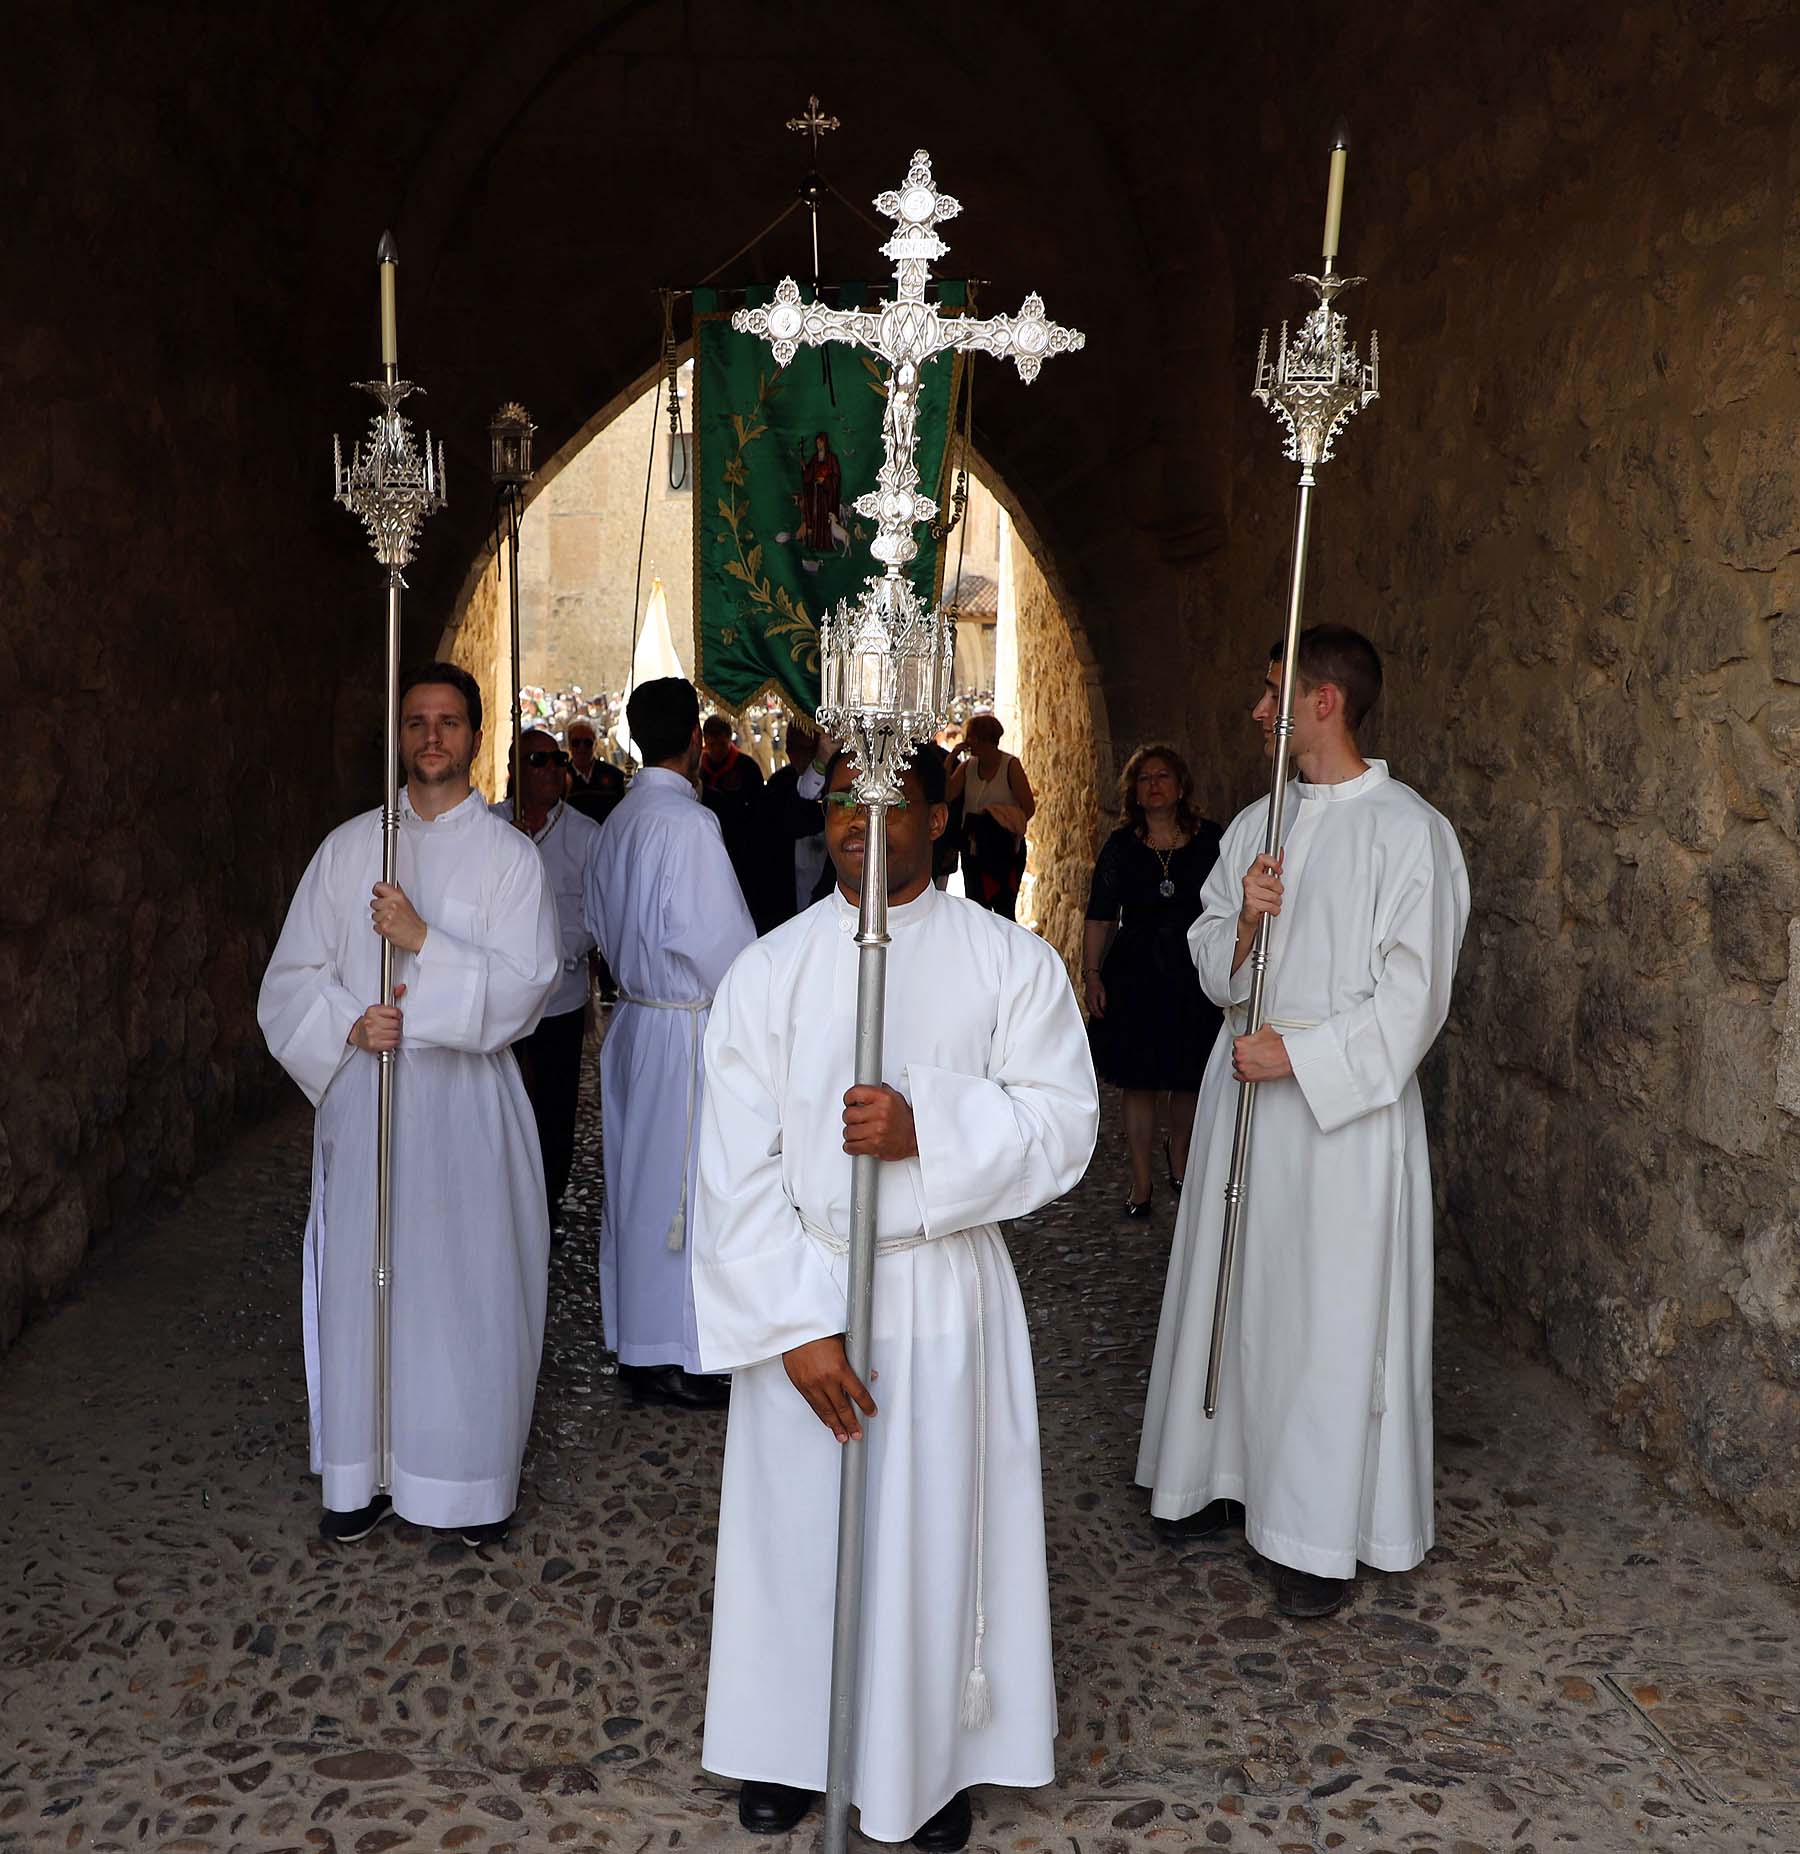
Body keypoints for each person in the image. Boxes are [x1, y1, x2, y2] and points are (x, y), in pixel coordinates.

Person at [693, 747, 1099, 1852]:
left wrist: (934, 1132)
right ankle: (786, 1745)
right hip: (807, 1287)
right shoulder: (768, 973)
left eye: (885, 804)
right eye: (839, 803)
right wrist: (794, 1323)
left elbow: (1064, 1124)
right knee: (798, 1534)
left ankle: (928, 1759)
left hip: (938, 1287)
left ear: (934, 814)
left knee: (931, 1529)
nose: (857, 824)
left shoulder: (1009, 964)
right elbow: (729, 1162)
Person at [1135, 626, 1469, 1619]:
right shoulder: (1256, 823)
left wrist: (1301, 1055)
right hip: (1246, 1088)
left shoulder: (1413, 833)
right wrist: (1243, 925)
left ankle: (1316, 1533)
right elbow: (1207, 964)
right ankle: (1214, 1473)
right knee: (1240, 1291)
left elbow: (1417, 999)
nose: (1256, 712)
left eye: (1271, 691)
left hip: (1342, 1118)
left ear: (1324, 702)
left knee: (1326, 1315)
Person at [257, 661, 559, 1547]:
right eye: (417, 721)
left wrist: (423, 941)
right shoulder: (351, 848)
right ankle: (361, 1471)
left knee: (467, 1288)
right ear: (400, 735)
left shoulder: (509, 858)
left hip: (466, 1108)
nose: (432, 737)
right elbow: (289, 981)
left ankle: (468, 1483)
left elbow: (528, 984)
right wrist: (351, 1025)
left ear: (475, 735)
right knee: (365, 1280)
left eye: (450, 722)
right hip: (368, 1101)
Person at [586, 677, 756, 1411]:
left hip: (635, 1019)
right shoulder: (687, 827)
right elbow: (722, 946)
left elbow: (594, 922)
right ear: (694, 739)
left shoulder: (619, 820)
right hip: (683, 1025)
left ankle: (636, 1338)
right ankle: (674, 1353)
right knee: (679, 1191)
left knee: (637, 1185)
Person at [1083, 745, 1225, 1216]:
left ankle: (1180, 1158)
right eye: (1144, 779)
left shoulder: (1211, 843)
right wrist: (1092, 973)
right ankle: (1141, 1181)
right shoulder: (1122, 847)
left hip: (1192, 972)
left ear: (1181, 787)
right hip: (1137, 974)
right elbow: (1101, 916)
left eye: (1163, 776)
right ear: (1135, 793)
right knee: (1140, 1081)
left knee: (1188, 1078)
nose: (1154, 784)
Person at [492, 728, 605, 1238]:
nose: (552, 768)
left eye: (558, 759)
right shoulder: (492, 828)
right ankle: (500, 1194)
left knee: (555, 1106)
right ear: (515, 767)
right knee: (500, 1098)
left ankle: (547, 1201)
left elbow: (596, 910)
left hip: (558, 996)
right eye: (539, 759)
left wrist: (560, 953)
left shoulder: (585, 835)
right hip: (498, 998)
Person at [947, 714, 1034, 918]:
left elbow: (1028, 808)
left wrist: (1003, 823)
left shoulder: (1010, 766)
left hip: (1004, 850)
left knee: (1004, 910)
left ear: (981, 738)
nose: (967, 742)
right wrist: (952, 757)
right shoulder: (968, 766)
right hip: (974, 850)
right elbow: (947, 794)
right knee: (976, 910)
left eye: (970, 737)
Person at [700, 713, 779, 931]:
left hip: (744, 848)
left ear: (730, 738)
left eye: (721, 743)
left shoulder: (747, 767)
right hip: (713, 845)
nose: (716, 749)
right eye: (711, 743)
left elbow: (759, 810)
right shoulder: (700, 770)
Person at [762, 719, 830, 923]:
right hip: (787, 893)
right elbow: (792, 822)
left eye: (807, 748)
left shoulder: (837, 780)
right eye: (794, 748)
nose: (799, 755)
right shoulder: (778, 785)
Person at [565, 716, 626, 827]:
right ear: (569, 745)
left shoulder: (614, 776)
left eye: (587, 742)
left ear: (595, 744)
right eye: (576, 742)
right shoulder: (560, 778)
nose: (581, 748)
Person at [800, 431, 841, 552]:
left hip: (827, 496)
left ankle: (827, 544)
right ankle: (816, 543)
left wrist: (826, 480)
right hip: (816, 495)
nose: (818, 445)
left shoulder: (832, 458)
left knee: (826, 519)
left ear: (825, 443)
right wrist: (804, 468)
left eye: (820, 442)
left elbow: (836, 477)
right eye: (817, 442)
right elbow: (809, 475)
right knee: (816, 518)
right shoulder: (814, 458)